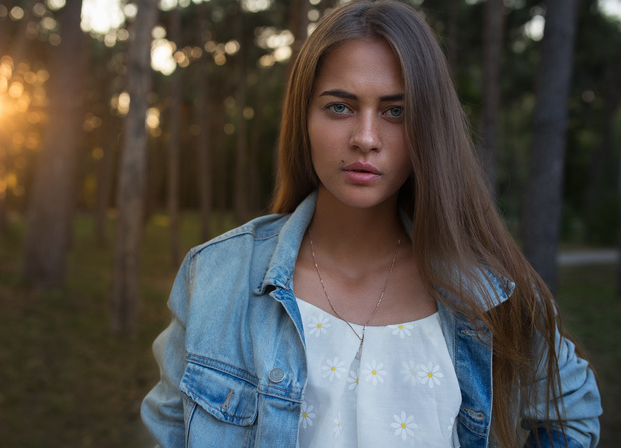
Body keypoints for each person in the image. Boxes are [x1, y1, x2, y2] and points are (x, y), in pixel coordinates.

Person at [141, 1, 602, 446]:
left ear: (429, 127)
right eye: (339, 107)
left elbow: (572, 410)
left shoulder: (486, 293)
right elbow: (169, 434)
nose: (365, 138)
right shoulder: (218, 278)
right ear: (304, 118)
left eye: (394, 111)